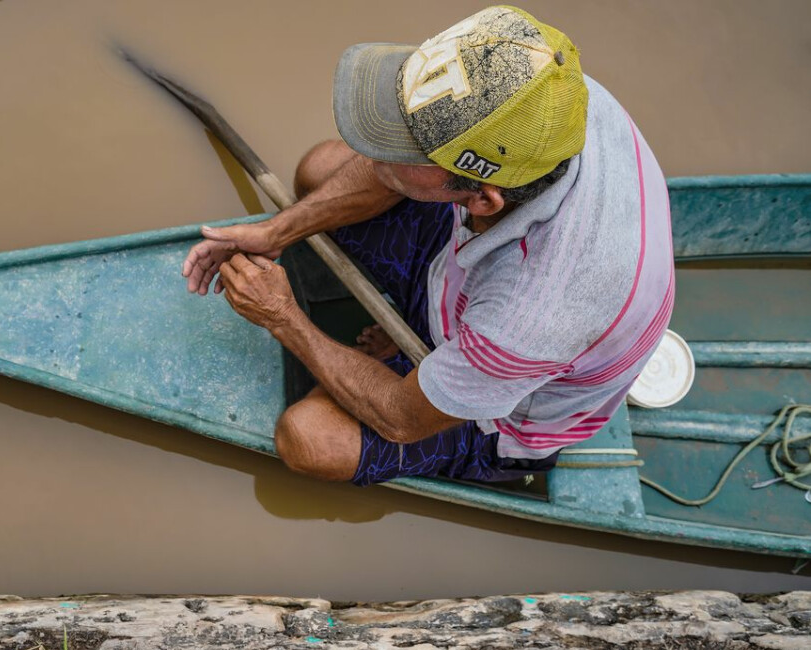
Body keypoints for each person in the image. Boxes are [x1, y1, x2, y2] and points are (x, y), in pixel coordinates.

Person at [181, 5, 674, 487]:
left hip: (498, 414)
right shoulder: (545, 98)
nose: (377, 156)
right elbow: (383, 167)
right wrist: (278, 232)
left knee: (309, 439)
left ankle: (442, 361)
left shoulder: (531, 318)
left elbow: (402, 419)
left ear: (482, 199)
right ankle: (428, 322)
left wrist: (282, 317)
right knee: (319, 169)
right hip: (468, 280)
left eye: (405, 152)